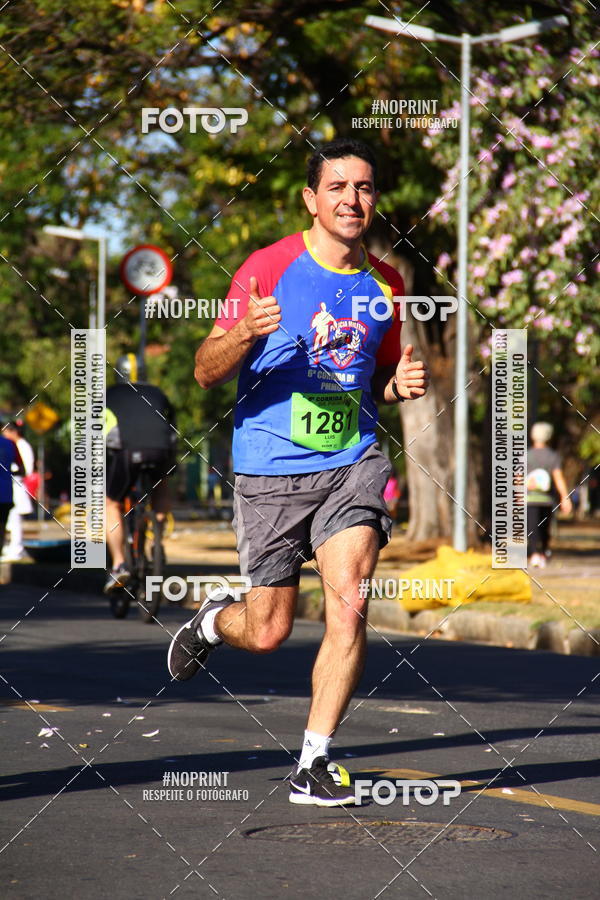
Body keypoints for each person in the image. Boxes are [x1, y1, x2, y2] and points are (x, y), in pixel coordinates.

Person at [167, 137, 429, 806]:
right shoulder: (269, 266)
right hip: (270, 470)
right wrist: (243, 333)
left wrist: (397, 385)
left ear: (375, 199)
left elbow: (376, 377)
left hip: (352, 461)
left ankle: (314, 762)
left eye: (363, 187)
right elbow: (203, 371)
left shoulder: (387, 283)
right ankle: (211, 623)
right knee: (268, 631)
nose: (352, 199)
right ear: (312, 199)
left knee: (351, 603)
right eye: (338, 187)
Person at [104, 354, 177, 593]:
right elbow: (172, 425)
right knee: (161, 485)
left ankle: (119, 564)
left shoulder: (108, 394)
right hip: (161, 451)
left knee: (111, 504)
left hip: (128, 453)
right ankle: (157, 538)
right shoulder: (158, 393)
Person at [527, 421, 572, 567]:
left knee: (532, 527)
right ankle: (543, 552)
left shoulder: (526, 456)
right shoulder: (553, 456)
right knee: (544, 528)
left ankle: (535, 554)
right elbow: (558, 478)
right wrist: (565, 497)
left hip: (530, 499)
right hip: (546, 500)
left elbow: (518, 478)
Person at [1, 420, 35, 561]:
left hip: (15, 486)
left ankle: (16, 549)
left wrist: (8, 472)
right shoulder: (12, 444)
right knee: (9, 522)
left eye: (6, 432)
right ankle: (11, 548)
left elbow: (26, 469)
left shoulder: (21, 445)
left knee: (14, 521)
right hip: (9, 488)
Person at [0, 430, 25, 557]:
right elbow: (22, 469)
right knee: (2, 527)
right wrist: (7, 473)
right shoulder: (10, 444)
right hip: (6, 493)